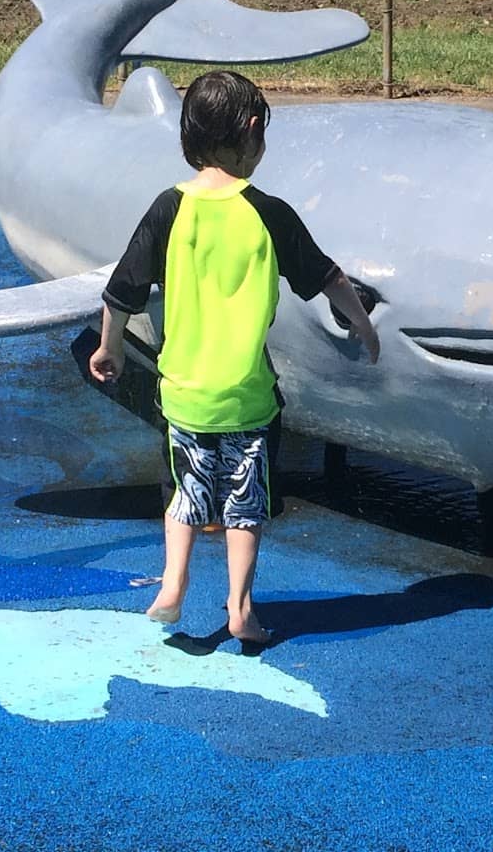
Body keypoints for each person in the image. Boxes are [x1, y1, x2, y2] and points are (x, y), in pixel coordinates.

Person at [89, 70, 380, 645]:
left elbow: (122, 289)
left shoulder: (169, 209)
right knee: (245, 508)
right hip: (248, 397)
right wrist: (364, 326)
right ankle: (241, 608)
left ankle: (173, 584)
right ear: (251, 130)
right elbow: (328, 278)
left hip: (184, 393)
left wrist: (109, 345)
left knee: (184, 494)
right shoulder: (269, 213)